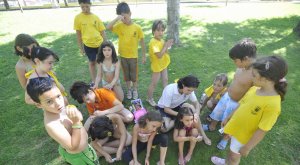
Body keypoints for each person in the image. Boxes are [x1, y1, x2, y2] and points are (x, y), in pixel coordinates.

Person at [211, 55, 288, 165]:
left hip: (243, 138)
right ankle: (226, 162)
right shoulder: (254, 89)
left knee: (234, 157)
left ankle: (229, 163)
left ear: (265, 79)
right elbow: (241, 105)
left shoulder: (273, 105)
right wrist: (229, 117)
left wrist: (247, 147)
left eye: (254, 75)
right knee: (231, 151)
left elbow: (262, 130)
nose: (251, 78)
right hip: (235, 127)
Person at [26, 77, 99, 165]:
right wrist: (76, 123)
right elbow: (72, 146)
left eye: (58, 96)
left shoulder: (60, 107)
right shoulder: (52, 125)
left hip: (84, 149)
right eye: (49, 101)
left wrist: (76, 115)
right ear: (39, 105)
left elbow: (79, 117)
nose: (58, 103)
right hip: (80, 156)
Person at [206, 38, 257, 150]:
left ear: (246, 59)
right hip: (227, 97)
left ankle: (225, 138)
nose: (234, 63)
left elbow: (251, 95)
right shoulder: (242, 66)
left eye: (235, 60)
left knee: (230, 122)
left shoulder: (255, 74)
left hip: (236, 104)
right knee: (217, 112)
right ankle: (212, 126)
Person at [106, 2, 146, 100]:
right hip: (123, 56)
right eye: (121, 18)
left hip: (133, 57)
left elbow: (142, 42)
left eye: (125, 17)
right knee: (126, 75)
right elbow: (108, 27)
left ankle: (135, 89)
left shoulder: (137, 28)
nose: (123, 20)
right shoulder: (119, 25)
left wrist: (144, 55)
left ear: (130, 13)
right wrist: (117, 19)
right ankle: (129, 89)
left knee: (134, 75)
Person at [156, 75, 207, 143]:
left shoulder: (190, 90)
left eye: (192, 91)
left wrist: (196, 114)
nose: (190, 93)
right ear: (183, 85)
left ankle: (203, 135)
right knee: (165, 129)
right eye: (188, 90)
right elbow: (166, 109)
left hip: (178, 105)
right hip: (164, 108)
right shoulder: (169, 90)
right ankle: (180, 120)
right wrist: (182, 115)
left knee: (192, 108)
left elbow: (196, 103)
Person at [74, 0, 106, 84]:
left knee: (100, 62)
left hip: (99, 44)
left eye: (87, 6)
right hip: (88, 45)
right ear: (80, 6)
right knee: (92, 62)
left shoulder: (95, 17)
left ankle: (103, 79)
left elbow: (102, 31)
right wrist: (81, 48)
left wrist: (105, 44)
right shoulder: (78, 18)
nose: (85, 9)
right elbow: (78, 35)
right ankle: (94, 80)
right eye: (82, 7)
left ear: (90, 5)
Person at [147, 20, 173, 107]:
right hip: (157, 66)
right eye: (158, 30)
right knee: (154, 83)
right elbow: (159, 55)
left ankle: (166, 97)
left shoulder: (161, 40)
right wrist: (165, 46)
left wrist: (167, 46)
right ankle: (149, 98)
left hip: (163, 64)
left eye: (162, 30)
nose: (160, 32)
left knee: (165, 80)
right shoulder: (153, 42)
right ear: (153, 31)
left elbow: (165, 52)